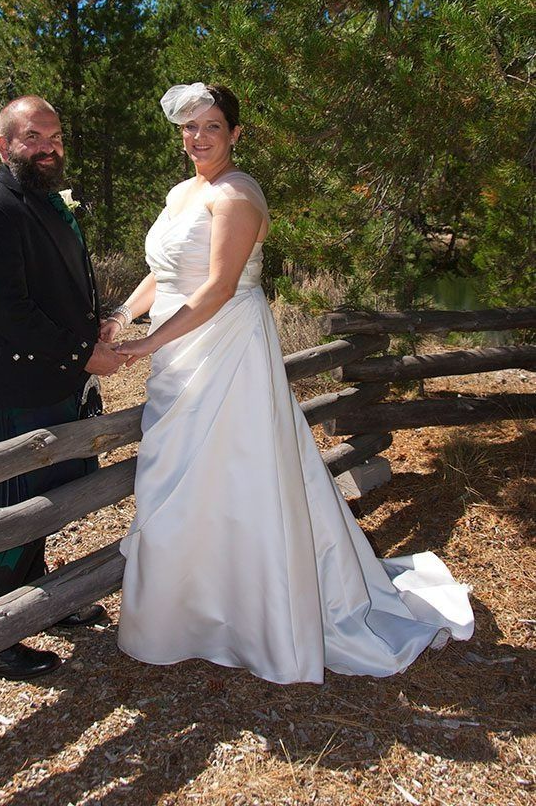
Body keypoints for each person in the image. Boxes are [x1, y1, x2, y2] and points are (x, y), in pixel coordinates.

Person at [103, 82, 474, 685]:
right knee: (186, 477)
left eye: (212, 127)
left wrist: (145, 343)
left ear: (236, 134)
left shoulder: (238, 195)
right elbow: (161, 272)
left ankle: (255, 617)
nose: (198, 138)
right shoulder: (180, 193)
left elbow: (218, 288)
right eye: (190, 128)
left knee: (234, 473)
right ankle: (190, 612)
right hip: (180, 350)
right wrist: (121, 317)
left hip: (225, 349)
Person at [0, 95, 124, 680]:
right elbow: (10, 314)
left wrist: (98, 319)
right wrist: (85, 353)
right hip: (21, 386)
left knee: (48, 499)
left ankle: (36, 606)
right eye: (33, 137)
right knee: (15, 508)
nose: (48, 148)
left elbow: (66, 283)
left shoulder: (48, 204)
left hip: (58, 377)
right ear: (4, 145)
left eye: (54, 137)